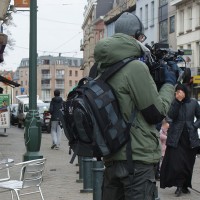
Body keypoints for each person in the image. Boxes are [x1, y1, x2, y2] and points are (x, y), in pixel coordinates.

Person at [93, 12, 179, 200]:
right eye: (142, 37)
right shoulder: (135, 68)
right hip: (137, 161)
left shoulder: (101, 67)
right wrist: (169, 83)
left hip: (112, 158)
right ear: (136, 36)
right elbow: (156, 113)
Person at [160, 83, 200, 197]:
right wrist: (177, 101)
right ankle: (178, 186)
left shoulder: (193, 103)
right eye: (176, 91)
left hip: (190, 138)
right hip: (176, 138)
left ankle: (185, 185)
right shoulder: (174, 102)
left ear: (185, 92)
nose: (178, 93)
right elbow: (170, 116)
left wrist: (194, 126)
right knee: (177, 164)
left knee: (187, 164)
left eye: (180, 91)